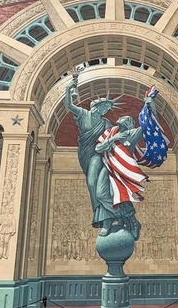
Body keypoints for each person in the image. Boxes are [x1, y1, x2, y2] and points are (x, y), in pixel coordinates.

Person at [64, 82, 164, 239]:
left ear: (130, 123)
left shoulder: (126, 130)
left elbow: (150, 123)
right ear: (96, 106)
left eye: (108, 109)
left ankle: (112, 220)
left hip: (114, 166)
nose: (107, 111)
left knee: (107, 191)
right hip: (97, 159)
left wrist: (150, 104)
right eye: (104, 107)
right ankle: (120, 217)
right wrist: (69, 88)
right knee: (96, 189)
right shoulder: (108, 129)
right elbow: (98, 147)